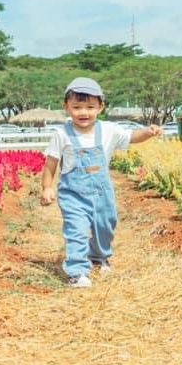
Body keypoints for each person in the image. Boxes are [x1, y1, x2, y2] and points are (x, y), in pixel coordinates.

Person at [41, 77, 161, 288]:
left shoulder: (109, 130)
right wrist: (47, 187)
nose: (83, 112)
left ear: (101, 107)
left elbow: (132, 137)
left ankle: (98, 257)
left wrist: (148, 133)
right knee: (76, 230)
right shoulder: (61, 134)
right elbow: (51, 163)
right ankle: (77, 272)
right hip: (73, 195)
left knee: (104, 227)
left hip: (102, 194)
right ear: (66, 107)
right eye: (77, 107)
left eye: (90, 107)